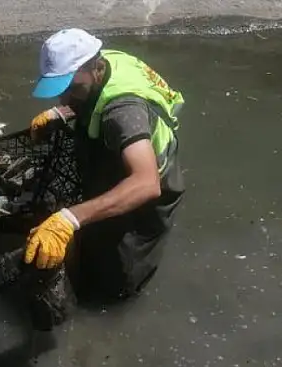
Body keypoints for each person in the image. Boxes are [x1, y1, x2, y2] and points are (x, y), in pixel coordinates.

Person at [25, 28, 185, 304]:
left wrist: (68, 219)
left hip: (150, 178)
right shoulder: (104, 61)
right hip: (121, 152)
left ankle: (114, 303)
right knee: (94, 237)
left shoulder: (122, 112)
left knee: (118, 277)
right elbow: (93, 92)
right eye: (59, 91)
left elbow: (147, 183)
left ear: (96, 68)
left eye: (72, 90)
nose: (64, 98)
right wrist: (59, 113)